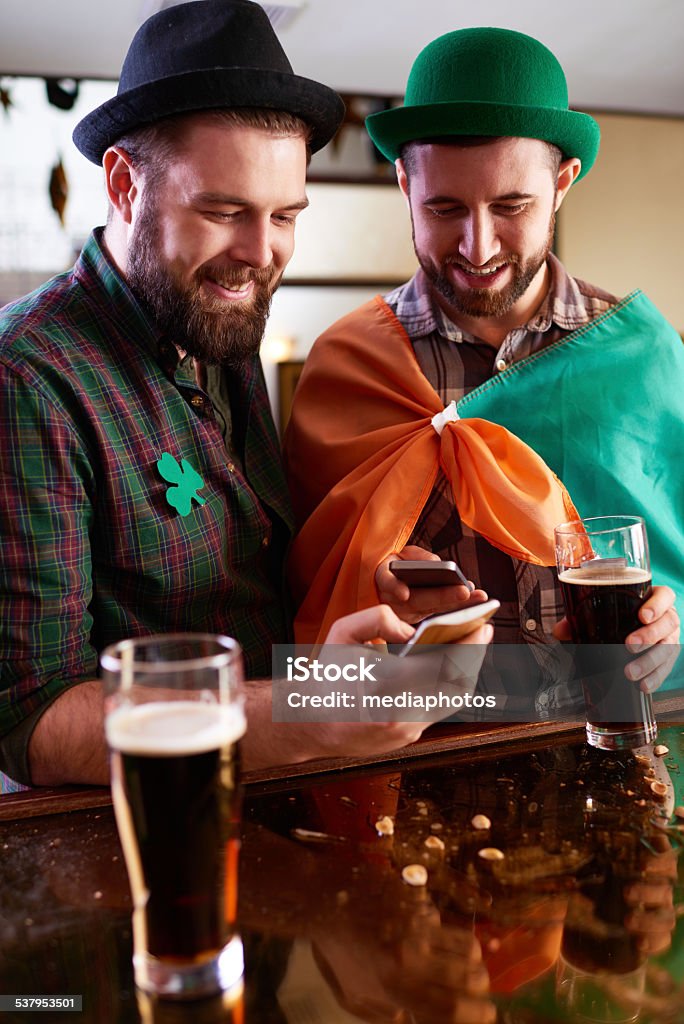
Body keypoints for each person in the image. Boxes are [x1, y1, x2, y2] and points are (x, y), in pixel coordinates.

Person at [0, 1, 493, 790]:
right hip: (133, 845)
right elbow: (32, 721)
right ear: (125, 185)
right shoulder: (26, 378)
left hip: (279, 805)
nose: (261, 256)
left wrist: (366, 582)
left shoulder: (219, 319)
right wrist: (311, 706)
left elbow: (246, 581)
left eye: (285, 216)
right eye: (223, 211)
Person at [284, 27, 681, 707]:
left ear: (562, 185)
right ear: (405, 184)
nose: (478, 244)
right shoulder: (346, 367)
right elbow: (304, 635)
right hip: (422, 762)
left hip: (622, 740)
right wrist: (374, 616)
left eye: (511, 206)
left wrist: (669, 621)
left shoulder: (642, 355)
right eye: (444, 208)